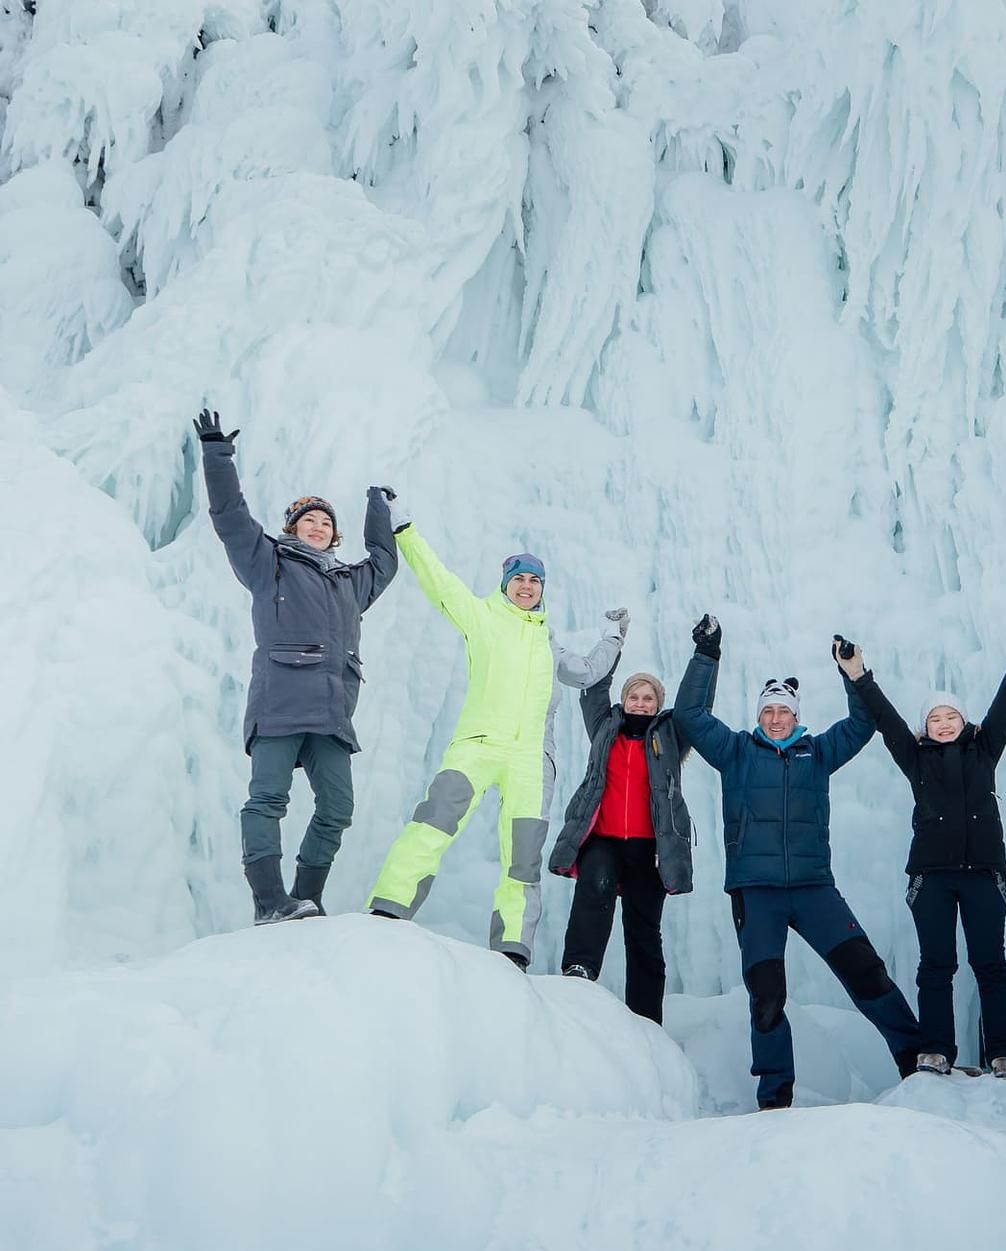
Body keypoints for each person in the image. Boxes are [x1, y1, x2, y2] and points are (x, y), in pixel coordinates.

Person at [673, 615, 925, 1110]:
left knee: (866, 971)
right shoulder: (737, 752)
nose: (774, 718)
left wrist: (852, 673)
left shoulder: (819, 752)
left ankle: (917, 1061)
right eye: (767, 710)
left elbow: (863, 724)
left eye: (782, 711)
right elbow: (691, 716)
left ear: (795, 715)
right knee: (767, 995)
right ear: (760, 714)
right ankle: (775, 1097)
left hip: (814, 889)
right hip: (757, 891)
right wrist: (707, 655)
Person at [363, 517, 624, 969]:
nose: (526, 587)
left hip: (530, 760)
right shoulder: (482, 618)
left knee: (523, 857)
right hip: (477, 745)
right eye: (518, 579)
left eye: (534, 581)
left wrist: (614, 637)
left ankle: (512, 948)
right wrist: (405, 531)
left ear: (542, 589)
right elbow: (440, 584)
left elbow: (585, 672)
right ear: (505, 585)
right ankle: (389, 906)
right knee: (433, 823)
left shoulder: (548, 642)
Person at [194, 408, 399, 924]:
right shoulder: (270, 564)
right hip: (281, 702)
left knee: (337, 808)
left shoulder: (350, 582)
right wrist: (217, 454)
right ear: (293, 529)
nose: (318, 525)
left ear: (334, 536)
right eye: (308, 519)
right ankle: (269, 901)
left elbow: (384, 561)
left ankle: (307, 897)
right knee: (267, 799)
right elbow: (230, 517)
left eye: (326, 522)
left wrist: (377, 504)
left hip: (332, 712)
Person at [853, 627, 1006, 1078]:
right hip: (931, 877)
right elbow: (886, 719)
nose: (945, 723)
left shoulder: (985, 749)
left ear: (964, 719)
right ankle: (935, 1049)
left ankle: (1004, 1051)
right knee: (936, 965)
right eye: (935, 718)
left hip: (983, 874)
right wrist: (859, 675)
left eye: (951, 716)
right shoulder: (916, 760)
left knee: (991, 964)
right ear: (925, 727)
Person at [547, 654, 711, 1024]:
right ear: (624, 700)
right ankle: (579, 969)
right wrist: (613, 641)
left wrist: (705, 655)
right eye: (634, 696)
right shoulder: (605, 729)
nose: (640, 703)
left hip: (649, 849)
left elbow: (695, 705)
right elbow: (593, 689)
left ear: (659, 704)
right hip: (603, 840)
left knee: (644, 931)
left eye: (648, 697)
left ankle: (647, 1018)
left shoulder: (670, 737)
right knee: (595, 888)